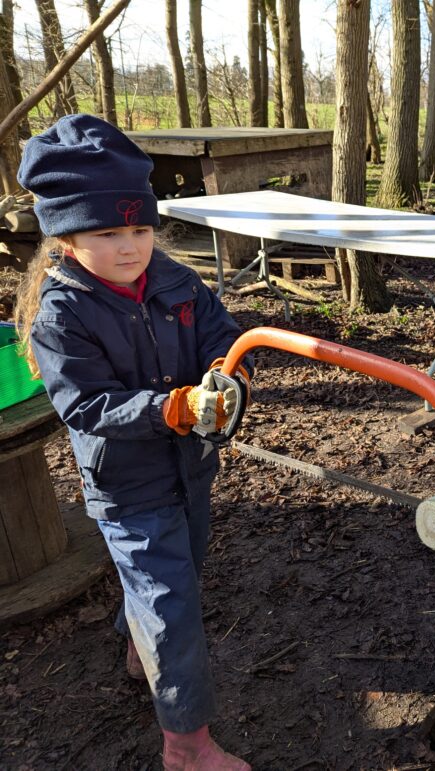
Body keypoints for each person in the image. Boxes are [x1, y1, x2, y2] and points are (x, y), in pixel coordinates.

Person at [14, 114, 254, 771]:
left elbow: (221, 335)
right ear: (64, 238)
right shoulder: (61, 314)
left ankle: (138, 644)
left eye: (140, 228)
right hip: (127, 491)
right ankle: (187, 747)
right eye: (107, 232)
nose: (130, 246)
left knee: (181, 576)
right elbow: (83, 404)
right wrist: (171, 406)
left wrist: (224, 380)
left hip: (189, 471)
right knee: (173, 610)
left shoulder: (174, 277)